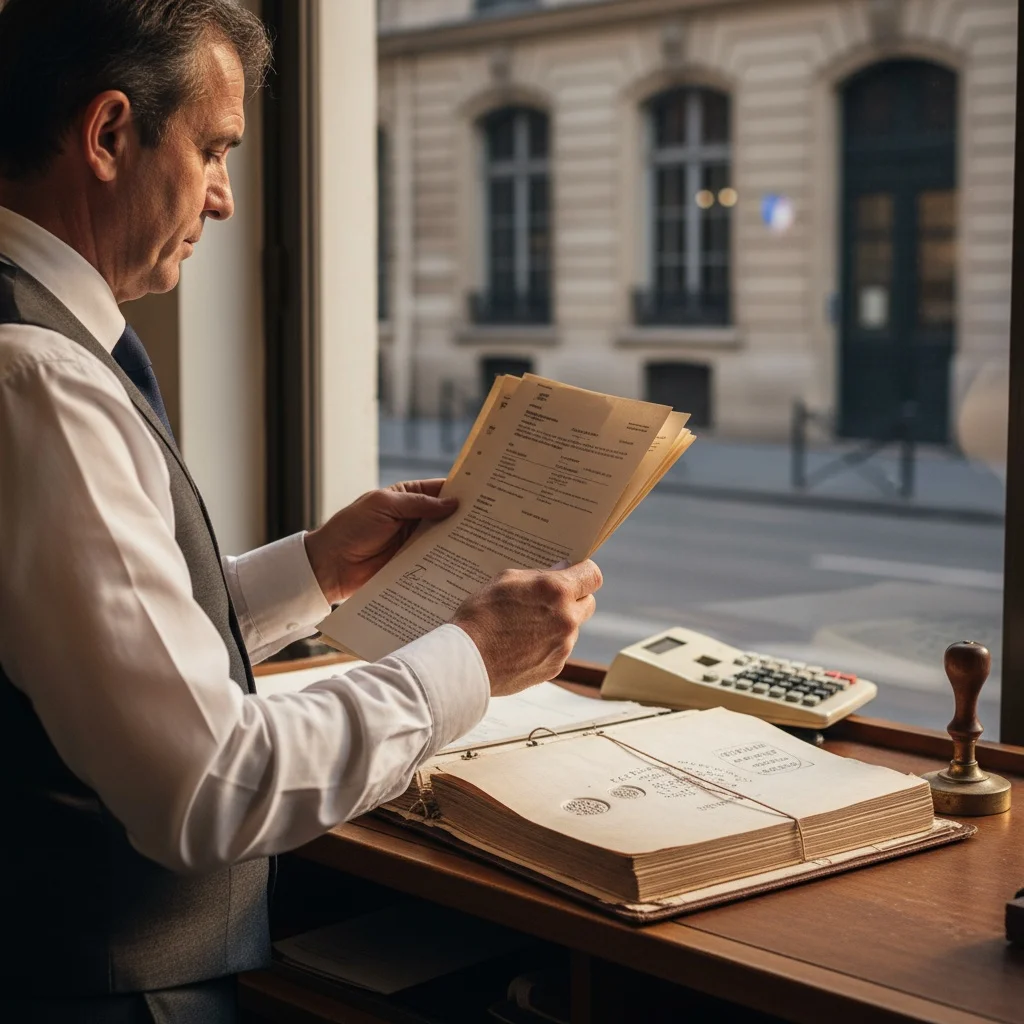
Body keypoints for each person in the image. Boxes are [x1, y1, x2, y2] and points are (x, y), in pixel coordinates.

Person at [0, 1, 603, 1020]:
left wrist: (317, 569)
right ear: (108, 136)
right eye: (213, 150)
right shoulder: (38, 380)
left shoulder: (37, 338)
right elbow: (212, 787)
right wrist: (471, 659)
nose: (226, 200)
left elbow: (75, 641)